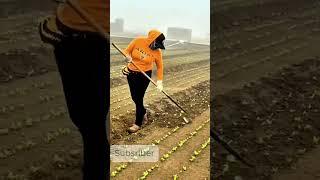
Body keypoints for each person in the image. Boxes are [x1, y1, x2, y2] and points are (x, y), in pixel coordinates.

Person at [39, 0, 109, 179]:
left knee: (90, 123)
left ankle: (97, 170)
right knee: (91, 121)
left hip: (85, 37)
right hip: (82, 34)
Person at [122, 29, 166, 133]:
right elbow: (126, 51)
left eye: (158, 46)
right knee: (134, 97)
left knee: (139, 98)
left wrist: (159, 81)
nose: (157, 47)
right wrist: (127, 57)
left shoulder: (157, 52)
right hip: (131, 73)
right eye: (156, 44)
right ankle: (143, 112)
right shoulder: (138, 41)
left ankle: (138, 123)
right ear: (152, 39)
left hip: (145, 75)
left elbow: (160, 67)